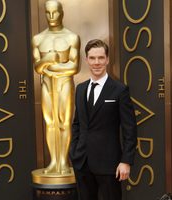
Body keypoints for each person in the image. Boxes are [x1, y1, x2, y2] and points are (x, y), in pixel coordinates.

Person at [69, 39, 137, 200]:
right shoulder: (80, 89)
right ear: (86, 60)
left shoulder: (120, 90)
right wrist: (74, 151)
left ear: (107, 59)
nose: (96, 62)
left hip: (109, 164)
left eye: (100, 58)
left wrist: (126, 161)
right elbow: (77, 123)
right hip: (82, 162)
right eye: (92, 58)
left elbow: (130, 128)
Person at [32, 0, 80, 175]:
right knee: (50, 123)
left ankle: (63, 161)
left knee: (64, 122)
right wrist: (48, 60)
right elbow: (37, 67)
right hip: (46, 84)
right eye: (48, 13)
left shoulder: (72, 37)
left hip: (65, 84)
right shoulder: (38, 39)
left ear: (62, 13)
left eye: (55, 12)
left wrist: (50, 67)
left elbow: (74, 67)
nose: (52, 17)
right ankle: (53, 161)